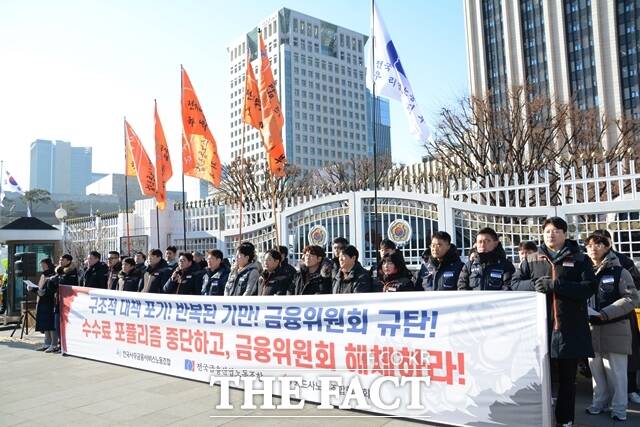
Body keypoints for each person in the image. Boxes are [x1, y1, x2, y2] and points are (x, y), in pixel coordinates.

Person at [512, 217, 597, 427]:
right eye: (548, 230)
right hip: (539, 329)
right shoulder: (532, 258)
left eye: (557, 230)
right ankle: (541, 417)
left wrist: (557, 285)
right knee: (541, 378)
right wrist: (535, 285)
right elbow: (514, 284)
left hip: (569, 329)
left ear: (565, 234)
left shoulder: (579, 259)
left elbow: (588, 288)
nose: (552, 234)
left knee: (568, 379)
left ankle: (565, 419)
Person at [584, 233, 639, 421]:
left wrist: (606, 313)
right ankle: (598, 403)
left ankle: (619, 409)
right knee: (596, 372)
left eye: (599, 244)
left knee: (617, 373)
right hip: (591, 330)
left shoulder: (619, 271)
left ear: (607, 247)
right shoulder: (583, 271)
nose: (594, 248)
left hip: (615, 328)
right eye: (590, 245)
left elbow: (632, 298)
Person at [34, 258, 57, 352]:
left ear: (48, 264)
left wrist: (38, 291)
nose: (42, 267)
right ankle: (47, 343)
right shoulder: (43, 274)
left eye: (43, 264)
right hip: (42, 300)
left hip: (50, 301)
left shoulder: (53, 274)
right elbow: (40, 288)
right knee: (45, 323)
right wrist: (34, 289)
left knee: (51, 324)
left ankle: (54, 344)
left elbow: (50, 290)